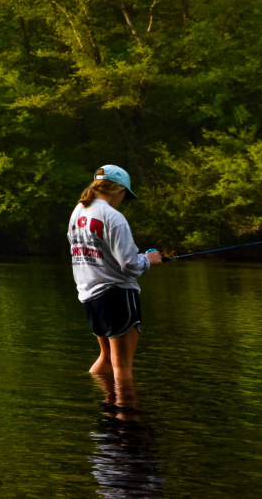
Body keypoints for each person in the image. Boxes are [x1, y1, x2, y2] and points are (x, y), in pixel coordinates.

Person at [68, 165, 164, 386]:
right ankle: (124, 408)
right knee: (122, 365)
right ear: (118, 190)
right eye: (124, 196)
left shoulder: (79, 211)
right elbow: (130, 265)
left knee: (106, 357)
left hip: (89, 295)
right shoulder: (114, 217)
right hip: (117, 294)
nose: (122, 200)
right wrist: (148, 260)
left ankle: (103, 402)